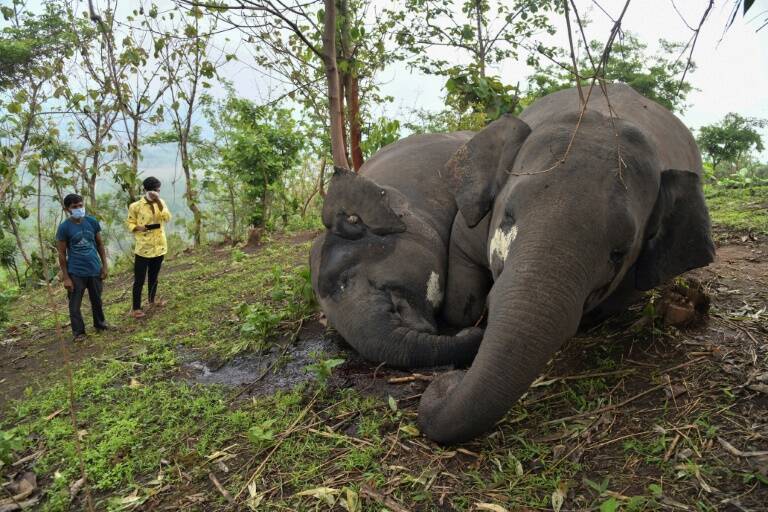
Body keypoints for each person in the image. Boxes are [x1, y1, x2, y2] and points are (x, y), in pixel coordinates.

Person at [56, 193, 109, 341]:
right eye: (74, 207)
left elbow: (99, 244)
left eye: (80, 205)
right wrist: (66, 277)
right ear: (67, 209)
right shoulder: (64, 228)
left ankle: (100, 324)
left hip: (94, 268)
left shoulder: (92, 222)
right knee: (75, 304)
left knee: (97, 299)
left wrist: (104, 266)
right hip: (76, 272)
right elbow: (61, 253)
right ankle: (79, 333)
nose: (79, 209)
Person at [127, 176, 172, 319]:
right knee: (139, 279)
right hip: (143, 247)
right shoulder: (135, 206)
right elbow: (129, 222)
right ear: (145, 190)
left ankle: (152, 301)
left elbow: (167, 218)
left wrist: (158, 201)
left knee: (154, 276)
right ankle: (136, 308)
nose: (156, 193)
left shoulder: (161, 202)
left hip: (159, 246)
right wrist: (136, 227)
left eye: (158, 190)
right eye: (153, 190)